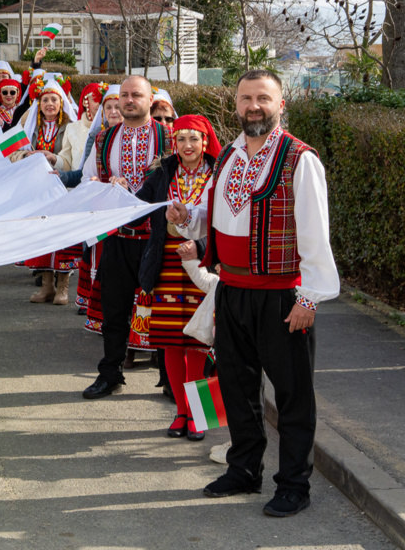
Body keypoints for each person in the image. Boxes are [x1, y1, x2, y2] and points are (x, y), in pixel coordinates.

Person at [168, 70, 339, 517]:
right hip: (232, 290)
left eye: (264, 98)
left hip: (282, 296)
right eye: (246, 98)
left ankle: (294, 485)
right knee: (237, 387)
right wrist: (190, 216)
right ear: (237, 103)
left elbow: (316, 235)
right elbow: (214, 213)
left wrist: (309, 297)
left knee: (292, 395)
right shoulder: (227, 155)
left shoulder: (300, 159)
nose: (253, 106)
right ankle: (243, 468)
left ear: (281, 104)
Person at [132, 114, 221, 440]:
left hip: (202, 263)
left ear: (205, 142)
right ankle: (181, 412)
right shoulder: (163, 172)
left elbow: (225, 222)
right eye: (181, 139)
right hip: (167, 262)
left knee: (199, 343)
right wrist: (115, 192)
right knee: (171, 344)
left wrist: (198, 246)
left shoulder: (219, 172)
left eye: (193, 139)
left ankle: (201, 417)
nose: (187, 146)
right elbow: (139, 203)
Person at [81, 76, 171, 399]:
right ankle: (110, 374)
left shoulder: (169, 137)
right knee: (114, 311)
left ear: (150, 100)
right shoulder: (105, 139)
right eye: (124, 95)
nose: (129, 100)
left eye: (137, 95)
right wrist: (104, 187)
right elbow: (88, 181)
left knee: (164, 310)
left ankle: (170, 380)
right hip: (118, 237)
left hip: (157, 238)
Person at [14, 74, 81, 304]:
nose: (49, 104)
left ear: (62, 103)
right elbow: (11, 153)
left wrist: (53, 157)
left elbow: (74, 160)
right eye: (45, 100)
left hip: (62, 189)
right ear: (38, 104)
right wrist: (26, 155)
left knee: (62, 238)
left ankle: (63, 288)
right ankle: (47, 286)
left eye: (54, 99)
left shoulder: (71, 128)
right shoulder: (29, 125)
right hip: (37, 191)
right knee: (40, 236)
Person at [78, 83, 124, 329]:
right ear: (102, 112)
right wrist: (93, 183)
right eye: (109, 107)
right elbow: (85, 174)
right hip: (106, 216)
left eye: (119, 106)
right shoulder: (100, 139)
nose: (115, 111)